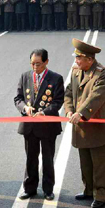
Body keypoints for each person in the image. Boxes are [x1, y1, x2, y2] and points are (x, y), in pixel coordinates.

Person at [64, 38, 105, 208]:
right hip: (81, 126)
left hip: (97, 128)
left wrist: (80, 113)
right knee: (85, 162)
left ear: (90, 60)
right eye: (76, 58)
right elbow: (69, 92)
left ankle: (102, 195)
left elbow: (96, 98)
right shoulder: (76, 71)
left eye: (79, 58)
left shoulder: (103, 74)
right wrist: (69, 110)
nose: (76, 61)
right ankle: (89, 190)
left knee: (100, 164)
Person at [14, 49, 65, 200]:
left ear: (46, 62)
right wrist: (25, 108)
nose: (35, 67)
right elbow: (18, 98)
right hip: (30, 124)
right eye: (32, 64)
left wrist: (45, 112)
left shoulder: (56, 78)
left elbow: (58, 101)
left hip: (47, 125)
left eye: (38, 64)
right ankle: (29, 188)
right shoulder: (25, 76)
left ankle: (48, 189)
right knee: (31, 157)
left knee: (48, 158)